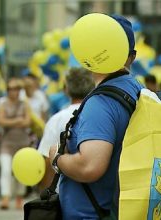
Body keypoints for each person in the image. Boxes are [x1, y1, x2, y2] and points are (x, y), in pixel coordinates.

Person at [48, 15, 143, 219]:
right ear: (132, 57)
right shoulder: (138, 90)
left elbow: (91, 166)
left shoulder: (101, 103)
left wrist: (57, 157)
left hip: (93, 214)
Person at [38, 67, 95, 189]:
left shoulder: (56, 120)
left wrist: (46, 194)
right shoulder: (99, 116)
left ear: (67, 89)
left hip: (62, 194)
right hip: (97, 194)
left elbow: (48, 161)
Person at [0, 78, 31, 210]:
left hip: (22, 141)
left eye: (16, 89)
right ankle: (5, 196)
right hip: (7, 142)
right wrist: (17, 120)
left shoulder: (25, 104)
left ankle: (19, 196)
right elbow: (0, 120)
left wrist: (9, 121)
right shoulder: (3, 104)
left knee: (21, 171)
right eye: (11, 89)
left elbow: (27, 122)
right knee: (5, 169)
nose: (14, 92)